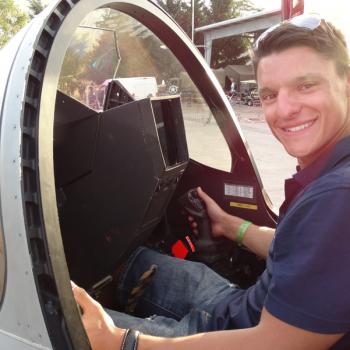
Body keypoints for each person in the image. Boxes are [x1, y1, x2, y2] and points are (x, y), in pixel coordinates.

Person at [72, 14, 350, 350]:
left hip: (249, 334)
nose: (285, 109)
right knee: (134, 263)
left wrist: (120, 342)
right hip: (248, 306)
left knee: (70, 326)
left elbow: (274, 345)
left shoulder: (338, 197)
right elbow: (301, 246)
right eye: (270, 95)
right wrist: (231, 226)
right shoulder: (332, 173)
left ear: (346, 82)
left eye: (306, 85)